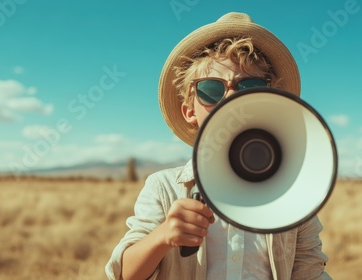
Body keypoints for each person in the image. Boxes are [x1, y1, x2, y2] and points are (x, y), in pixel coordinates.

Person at [106, 12, 331, 280]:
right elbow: (123, 275)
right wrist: (163, 236)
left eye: (251, 86)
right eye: (211, 89)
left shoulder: (294, 197)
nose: (231, 98)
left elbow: (311, 272)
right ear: (189, 111)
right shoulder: (163, 188)